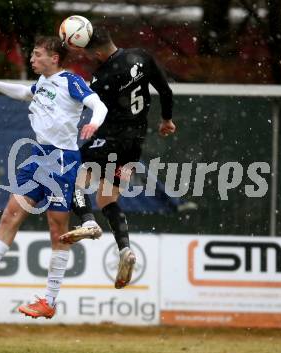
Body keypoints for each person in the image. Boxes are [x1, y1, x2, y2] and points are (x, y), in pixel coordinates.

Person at [0, 36, 108, 319]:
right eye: (32, 55)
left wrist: (93, 123)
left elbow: (99, 105)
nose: (32, 59)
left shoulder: (71, 80)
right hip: (38, 158)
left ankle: (49, 300)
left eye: (36, 54)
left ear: (54, 58)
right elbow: (23, 93)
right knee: (10, 214)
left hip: (62, 160)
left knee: (58, 232)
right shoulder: (43, 83)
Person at [60, 25, 176, 289]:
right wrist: (167, 120)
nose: (90, 59)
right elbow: (166, 91)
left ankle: (88, 223)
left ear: (97, 53)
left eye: (90, 55)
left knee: (72, 179)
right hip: (134, 144)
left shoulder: (102, 76)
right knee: (107, 198)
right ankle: (125, 249)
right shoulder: (142, 56)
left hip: (108, 139)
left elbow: (93, 108)